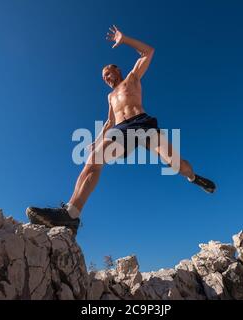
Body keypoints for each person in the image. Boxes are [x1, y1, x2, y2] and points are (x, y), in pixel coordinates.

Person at [26, 25, 216, 233]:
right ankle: (71, 214)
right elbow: (109, 122)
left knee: (176, 164)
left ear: (118, 70)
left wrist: (124, 39)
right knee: (92, 162)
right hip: (122, 129)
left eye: (108, 72)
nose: (107, 78)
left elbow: (148, 51)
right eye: (104, 77)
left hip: (143, 123)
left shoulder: (132, 79)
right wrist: (97, 141)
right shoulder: (110, 97)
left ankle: (194, 178)